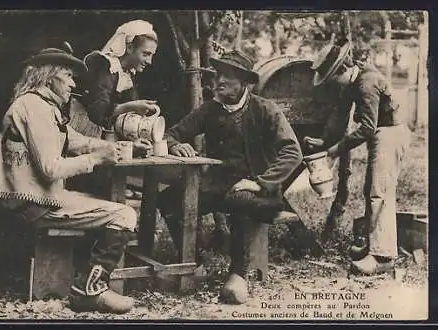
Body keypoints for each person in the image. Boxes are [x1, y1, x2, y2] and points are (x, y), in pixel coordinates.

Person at [0, 45, 151, 314]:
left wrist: (108, 147)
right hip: (34, 203)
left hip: (35, 198)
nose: (73, 83)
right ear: (49, 77)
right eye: (68, 77)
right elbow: (50, 169)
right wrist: (97, 159)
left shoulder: (42, 106)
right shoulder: (34, 108)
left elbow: (74, 140)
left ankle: (85, 284)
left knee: (105, 205)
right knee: (124, 215)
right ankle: (89, 292)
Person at [157, 50, 302, 304]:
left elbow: (292, 152)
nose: (219, 82)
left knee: (240, 200)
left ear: (244, 83)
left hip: (261, 193)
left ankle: (238, 276)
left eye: (228, 77)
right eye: (218, 76)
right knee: (169, 199)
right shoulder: (210, 109)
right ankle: (195, 265)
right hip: (218, 187)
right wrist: (174, 144)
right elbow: (172, 133)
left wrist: (260, 182)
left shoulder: (265, 109)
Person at [304, 38, 410, 275]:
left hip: (390, 134)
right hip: (380, 134)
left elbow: (367, 128)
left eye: (333, 79)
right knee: (371, 191)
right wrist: (325, 141)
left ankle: (383, 257)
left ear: (342, 70)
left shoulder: (366, 83)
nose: (333, 86)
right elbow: (341, 113)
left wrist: (335, 151)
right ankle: (375, 247)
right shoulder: (353, 80)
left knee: (379, 193)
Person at [82, 19, 160, 133]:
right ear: (129, 48)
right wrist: (131, 106)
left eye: (152, 55)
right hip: (85, 131)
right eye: (146, 54)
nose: (150, 62)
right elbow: (97, 113)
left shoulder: (127, 74)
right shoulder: (106, 66)